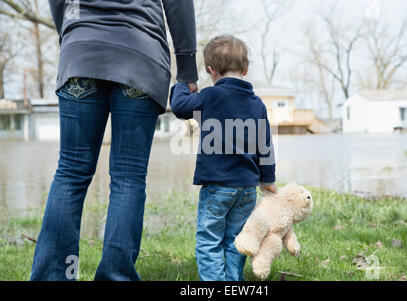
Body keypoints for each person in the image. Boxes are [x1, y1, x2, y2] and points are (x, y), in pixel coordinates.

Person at [30, 0, 198, 281]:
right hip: (141, 55)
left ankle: (55, 275)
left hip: (81, 50)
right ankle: (116, 276)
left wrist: (72, 34)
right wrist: (188, 69)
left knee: (71, 173)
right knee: (128, 178)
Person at [170, 35, 277, 281]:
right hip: (247, 188)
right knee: (237, 239)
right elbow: (266, 146)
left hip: (217, 186)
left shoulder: (210, 96)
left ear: (211, 71)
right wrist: (268, 180)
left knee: (209, 240)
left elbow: (179, 106)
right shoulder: (257, 104)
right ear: (246, 69)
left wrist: (183, 82)